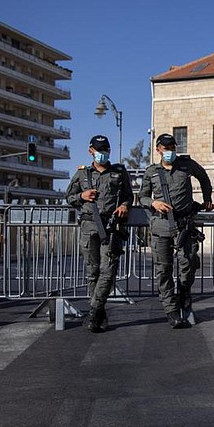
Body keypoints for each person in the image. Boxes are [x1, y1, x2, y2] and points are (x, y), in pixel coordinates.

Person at [139, 133, 214, 329]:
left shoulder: (186, 165)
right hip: (161, 225)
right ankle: (171, 310)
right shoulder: (151, 172)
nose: (170, 150)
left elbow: (204, 178)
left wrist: (207, 198)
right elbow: (143, 197)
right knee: (163, 270)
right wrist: (153, 202)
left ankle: (184, 294)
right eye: (165, 147)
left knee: (188, 264)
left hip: (185, 224)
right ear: (158, 150)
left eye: (172, 146)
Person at [65, 135, 133, 333]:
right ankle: (99, 312)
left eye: (106, 149)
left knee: (109, 271)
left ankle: (94, 310)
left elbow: (129, 195)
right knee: (93, 272)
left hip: (111, 227)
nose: (103, 153)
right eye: (99, 149)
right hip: (89, 226)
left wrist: (124, 205)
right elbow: (68, 197)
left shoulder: (119, 172)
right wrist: (82, 196)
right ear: (91, 151)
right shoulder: (82, 174)